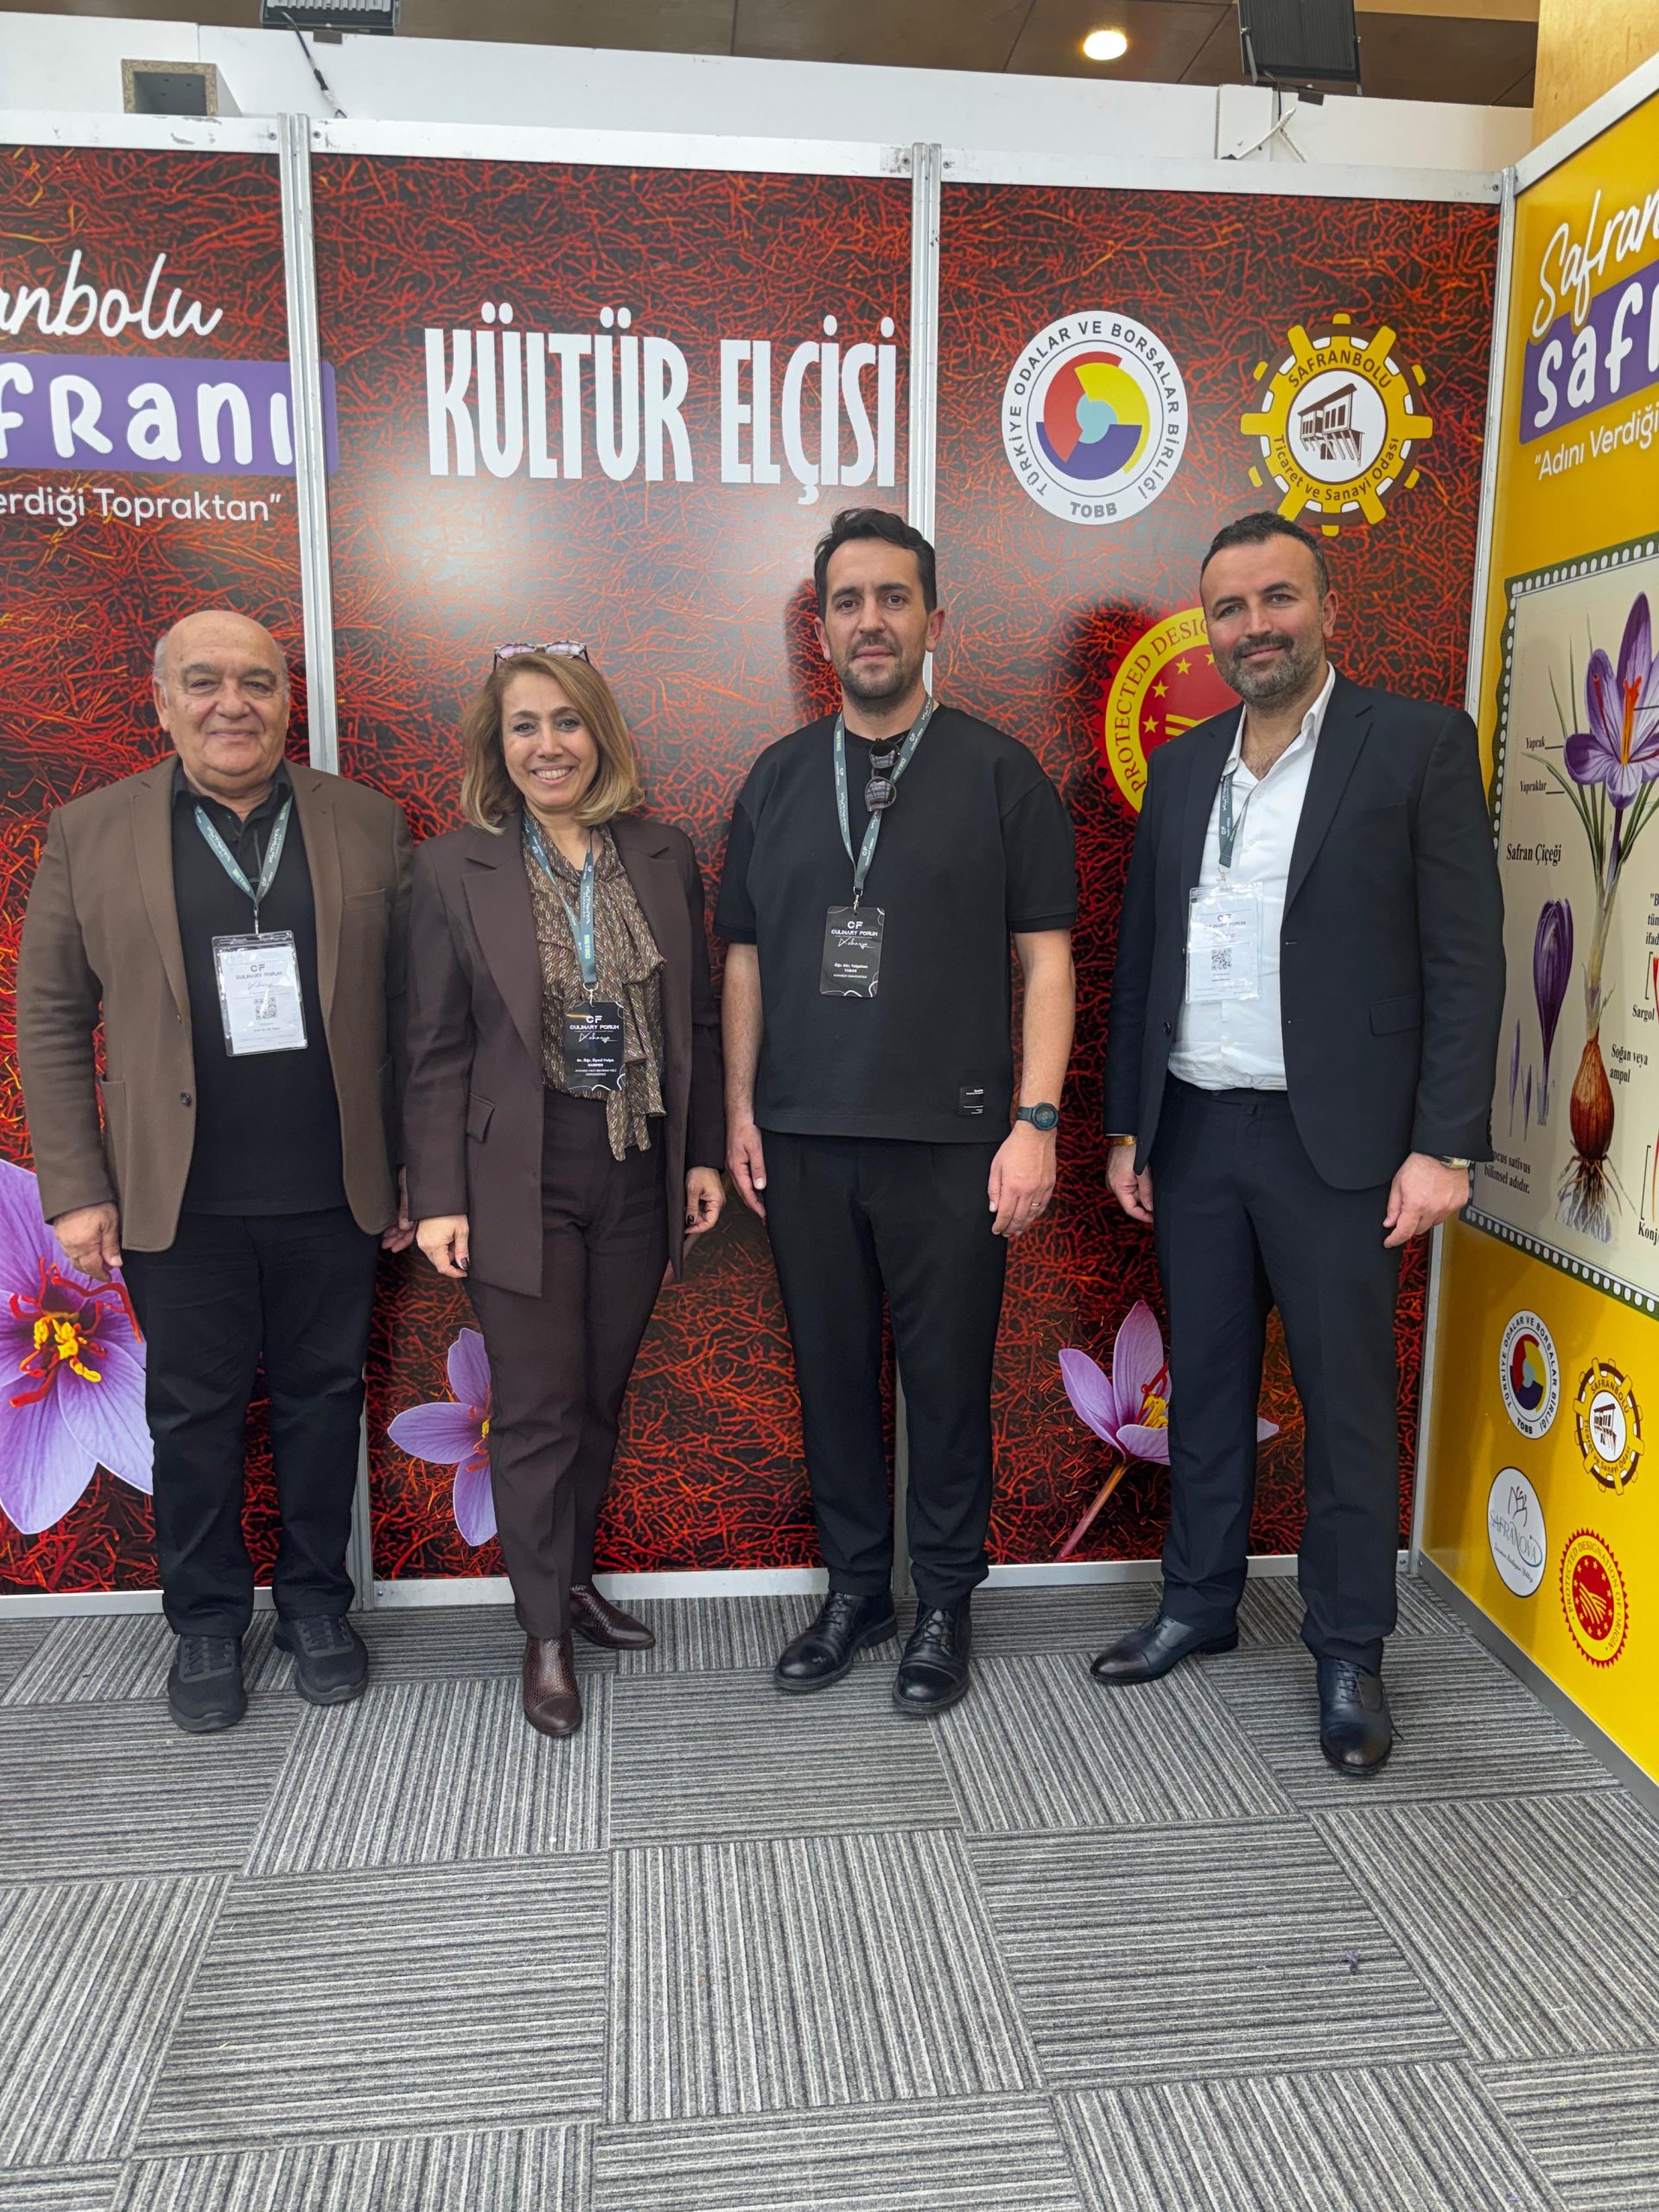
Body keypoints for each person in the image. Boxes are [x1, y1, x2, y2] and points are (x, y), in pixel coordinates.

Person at [1098, 512, 1504, 1770]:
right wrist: (1131, 1123)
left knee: (1346, 1407)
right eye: (1230, 608)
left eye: (1278, 598)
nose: (1255, 625)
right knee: (1207, 1389)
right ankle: (1199, 1602)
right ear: (1209, 629)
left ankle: (1348, 1650)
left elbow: (1467, 961)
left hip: (1343, 1147)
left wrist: (1444, 1146)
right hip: (1197, 1129)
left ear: (1329, 609)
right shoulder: (1185, 768)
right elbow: (1145, 957)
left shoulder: (1419, 744)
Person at [16, 609, 413, 1732]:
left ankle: (316, 1607)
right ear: (162, 700)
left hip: (333, 1185)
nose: (232, 703)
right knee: (191, 1418)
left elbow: (411, 1013)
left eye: (257, 682)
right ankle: (203, 1621)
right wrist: (75, 1189)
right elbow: (50, 1018)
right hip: (174, 1195)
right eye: (204, 681)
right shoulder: (90, 831)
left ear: (289, 700)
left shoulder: (366, 822)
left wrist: (414, 1167)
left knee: (323, 1405)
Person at [718, 508, 1077, 1714]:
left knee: (948, 1384)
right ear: (821, 631)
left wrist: (1035, 1123)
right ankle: (858, 1591)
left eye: (892, 598)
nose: (869, 620)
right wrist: (742, 1110)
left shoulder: (999, 773)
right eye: (847, 602)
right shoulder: (777, 778)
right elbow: (744, 961)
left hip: (955, 1144)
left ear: (934, 620)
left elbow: (1048, 963)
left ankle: (946, 1602)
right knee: (831, 1379)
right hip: (805, 1139)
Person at [404, 642, 723, 1738]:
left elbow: (695, 1021)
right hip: (517, 1175)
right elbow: (433, 1047)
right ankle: (543, 1633)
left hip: (635, 1159)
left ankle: (572, 1577)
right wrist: (439, 1194)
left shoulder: (662, 854)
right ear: (498, 747)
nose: (549, 745)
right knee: (537, 1408)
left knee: (595, 1398)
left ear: (602, 734)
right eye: (525, 725)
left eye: (568, 721)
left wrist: (698, 1154)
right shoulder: (453, 868)